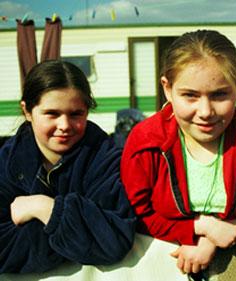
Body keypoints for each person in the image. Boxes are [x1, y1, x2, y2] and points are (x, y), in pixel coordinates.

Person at [121, 29, 236, 276]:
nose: (206, 111)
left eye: (219, 94)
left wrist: (214, 240)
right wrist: (200, 227)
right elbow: (138, 212)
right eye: (190, 96)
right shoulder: (145, 144)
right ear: (167, 88)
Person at [0, 60, 136, 273]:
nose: (64, 126)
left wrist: (46, 208)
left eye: (75, 114)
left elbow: (113, 241)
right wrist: (77, 236)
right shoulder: (6, 162)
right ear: (27, 111)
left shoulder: (106, 158)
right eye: (52, 114)